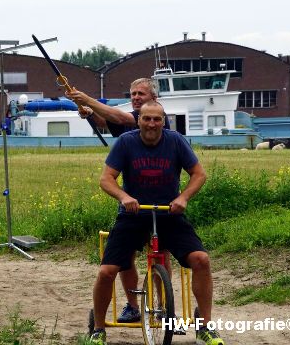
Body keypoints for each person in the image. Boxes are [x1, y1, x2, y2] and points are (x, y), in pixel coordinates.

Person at [88, 101, 224, 345]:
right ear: (138, 119)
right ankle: (98, 329)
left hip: (168, 214)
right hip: (133, 215)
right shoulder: (126, 142)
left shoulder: (175, 141)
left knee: (201, 260)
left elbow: (199, 174)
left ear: (164, 121)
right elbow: (106, 178)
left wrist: (183, 197)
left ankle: (205, 325)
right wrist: (124, 197)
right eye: (147, 119)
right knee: (107, 271)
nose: (151, 124)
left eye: (157, 119)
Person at [67, 78, 171, 324]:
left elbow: (121, 117)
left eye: (141, 94)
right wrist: (91, 113)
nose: (135, 97)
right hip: (131, 198)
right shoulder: (129, 121)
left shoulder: (149, 117)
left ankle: (163, 306)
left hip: (161, 199)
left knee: (160, 253)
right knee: (126, 258)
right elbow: (108, 120)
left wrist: (88, 99)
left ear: (153, 99)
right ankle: (134, 306)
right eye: (133, 93)